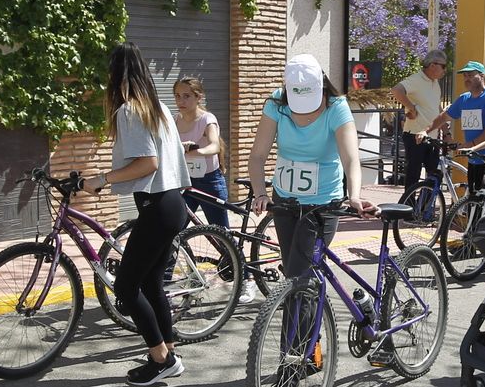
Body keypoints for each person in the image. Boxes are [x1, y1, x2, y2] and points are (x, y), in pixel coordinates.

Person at [86, 44, 192, 387]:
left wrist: (102, 179)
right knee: (151, 283)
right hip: (172, 204)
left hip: (157, 207)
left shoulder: (130, 110)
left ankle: (160, 359)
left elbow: (148, 163)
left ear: (116, 76)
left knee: (127, 286)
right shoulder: (158, 108)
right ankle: (168, 353)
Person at [249, 54, 373, 279]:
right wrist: (260, 193)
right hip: (284, 198)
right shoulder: (277, 103)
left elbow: (350, 159)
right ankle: (312, 300)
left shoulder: (337, 107)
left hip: (322, 203)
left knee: (300, 274)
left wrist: (354, 195)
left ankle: (306, 299)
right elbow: (257, 156)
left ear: (322, 84)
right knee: (292, 270)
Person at [428, 60, 485, 196]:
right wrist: (425, 131)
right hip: (474, 158)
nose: (467, 79)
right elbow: (443, 117)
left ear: (482, 76)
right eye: (465, 76)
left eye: (471, 75)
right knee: (474, 199)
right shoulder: (464, 99)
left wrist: (472, 144)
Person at [390, 50, 447, 204]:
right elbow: (396, 90)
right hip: (414, 134)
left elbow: (437, 108)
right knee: (413, 175)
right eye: (443, 66)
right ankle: (407, 208)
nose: (445, 70)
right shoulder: (416, 79)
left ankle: (423, 209)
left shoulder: (435, 83)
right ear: (433, 65)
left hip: (432, 136)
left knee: (434, 175)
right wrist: (411, 107)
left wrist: (446, 132)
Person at [173, 75, 228, 229]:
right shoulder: (175, 120)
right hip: (186, 181)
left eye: (186, 96)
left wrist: (194, 151)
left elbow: (215, 146)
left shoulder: (207, 119)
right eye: (177, 96)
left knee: (221, 233)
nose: (181, 101)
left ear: (199, 97)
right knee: (175, 229)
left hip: (209, 181)